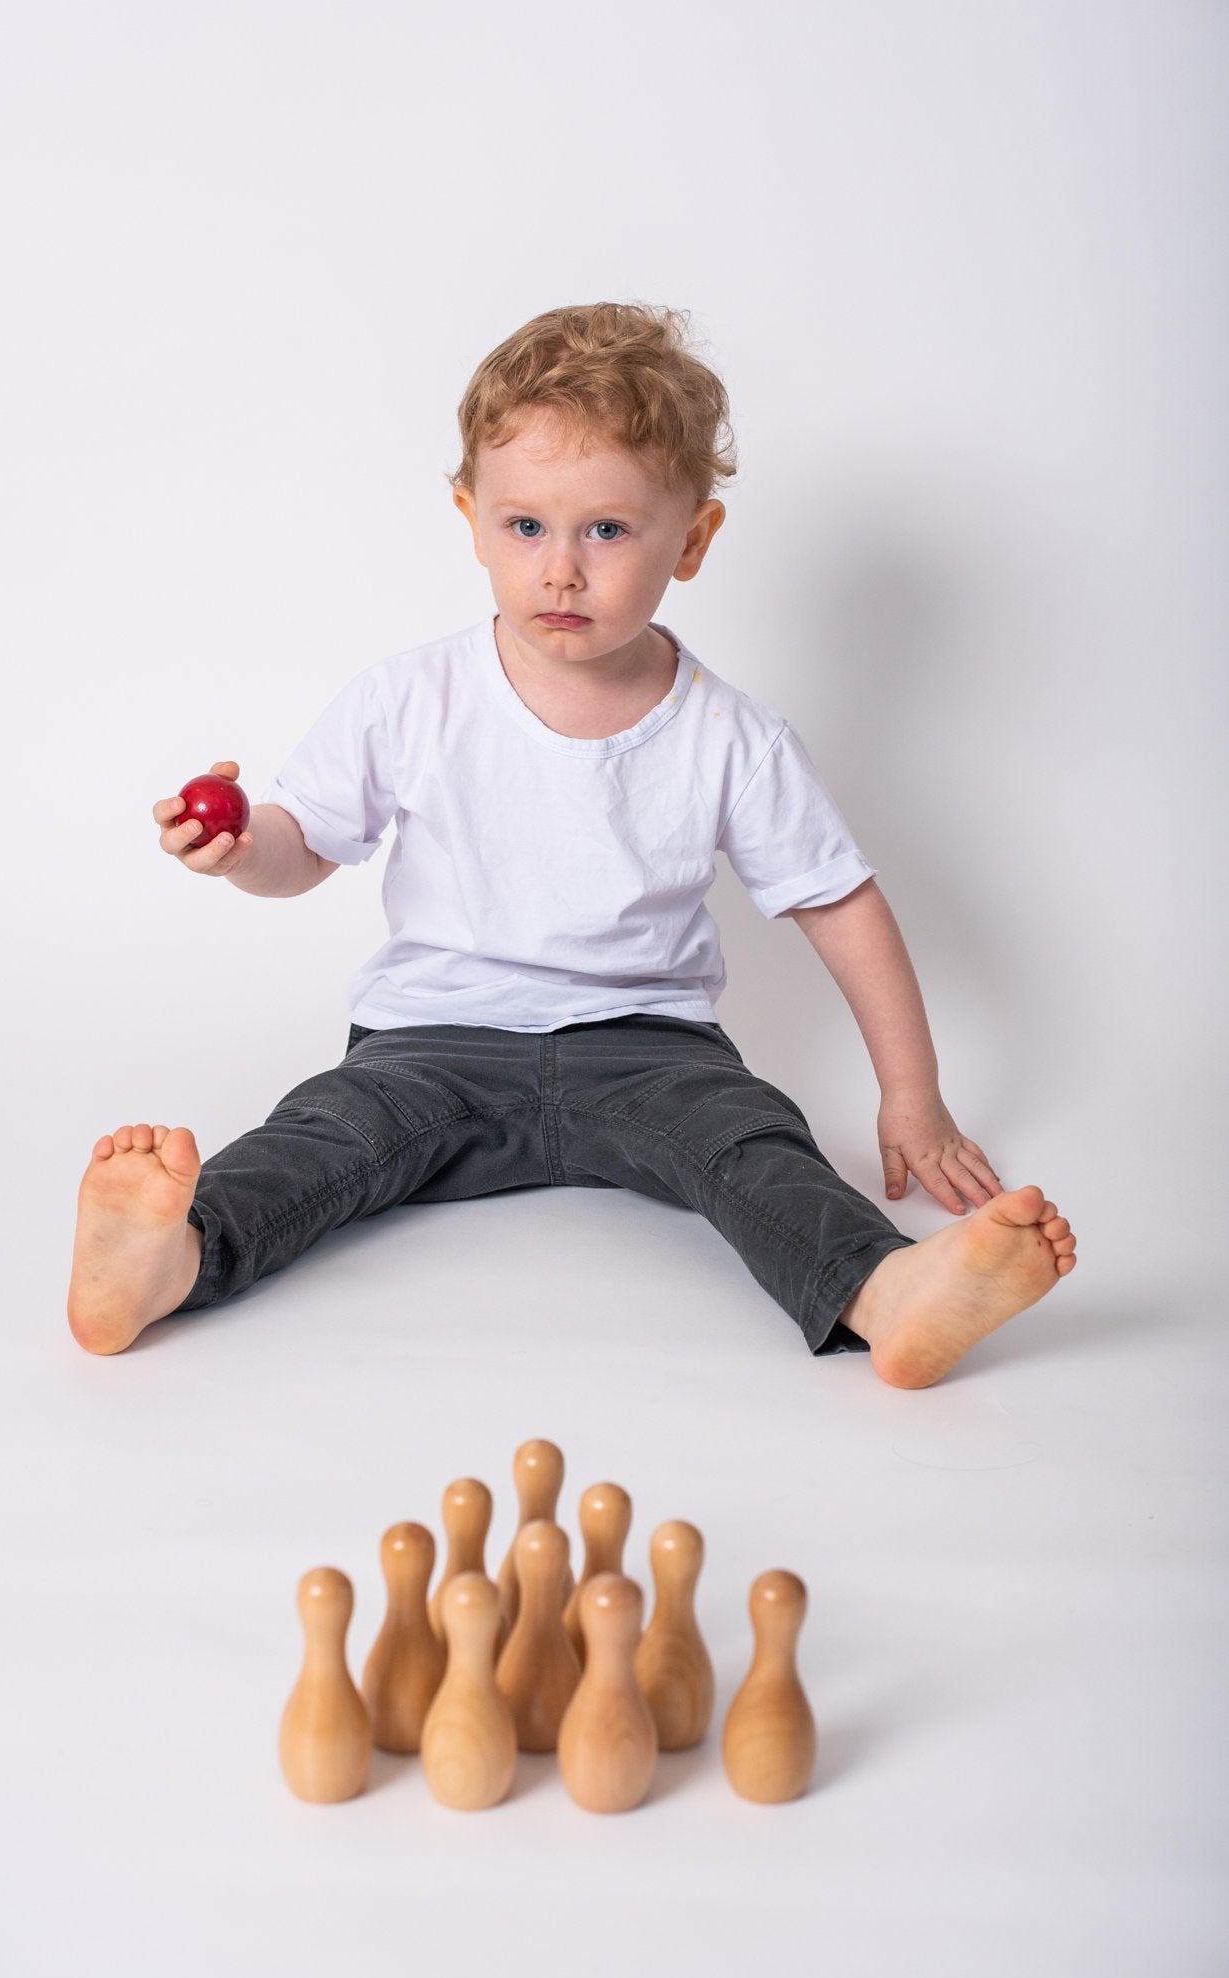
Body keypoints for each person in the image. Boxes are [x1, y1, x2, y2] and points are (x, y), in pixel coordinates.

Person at [67, 302, 1075, 1386]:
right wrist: (241, 846)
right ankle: (172, 1259)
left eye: (607, 529)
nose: (561, 568)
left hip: (650, 1045)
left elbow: (840, 903)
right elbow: (305, 843)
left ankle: (885, 1292)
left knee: (757, 1145)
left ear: (691, 540)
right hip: (432, 1036)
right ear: (470, 517)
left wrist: (910, 1095)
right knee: (321, 1138)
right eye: (526, 526)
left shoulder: (731, 734)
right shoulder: (412, 698)